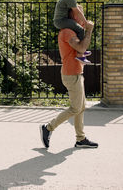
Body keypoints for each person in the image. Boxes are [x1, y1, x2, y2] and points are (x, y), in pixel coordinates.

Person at [40, 9, 98, 149]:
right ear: (72, 16)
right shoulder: (67, 32)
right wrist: (89, 30)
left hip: (77, 73)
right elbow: (82, 47)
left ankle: (80, 139)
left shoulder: (74, 31)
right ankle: (48, 128)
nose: (83, 17)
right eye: (80, 14)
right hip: (71, 74)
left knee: (81, 107)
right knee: (75, 108)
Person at [53, 0, 91, 64]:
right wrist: (85, 22)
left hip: (62, 20)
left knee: (77, 29)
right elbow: (76, 11)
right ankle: (80, 54)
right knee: (80, 29)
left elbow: (77, 7)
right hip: (61, 21)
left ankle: (81, 51)